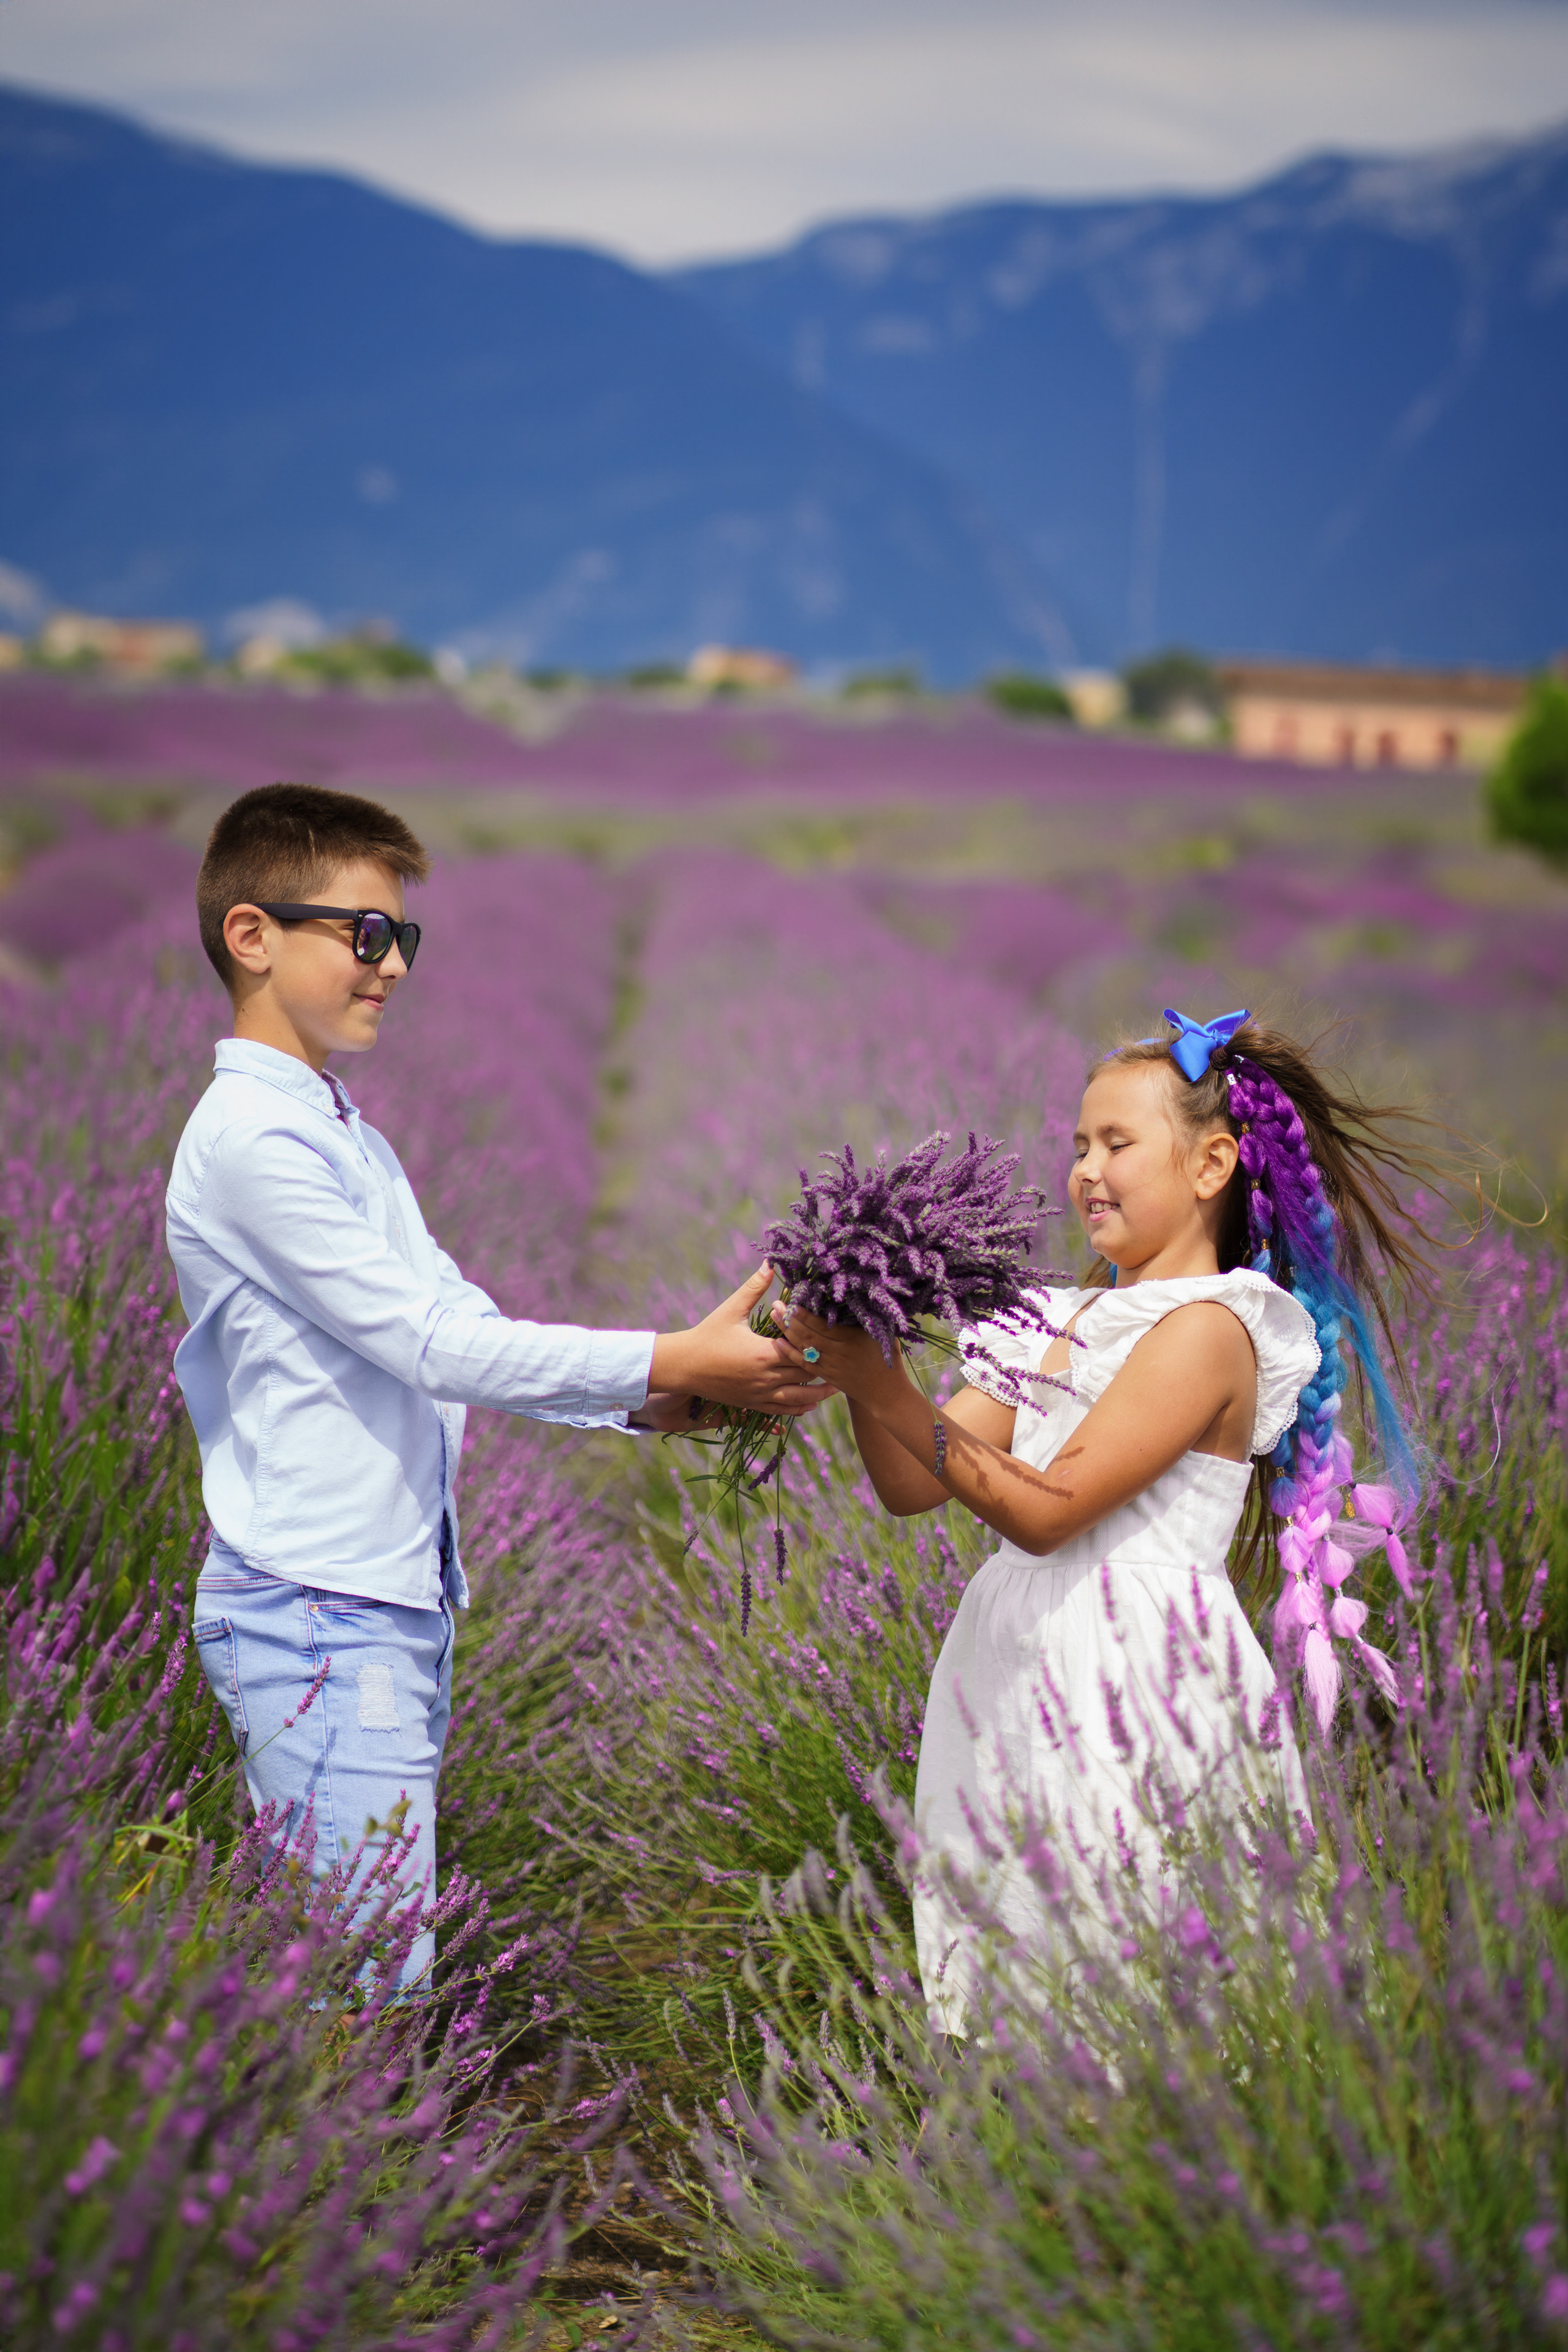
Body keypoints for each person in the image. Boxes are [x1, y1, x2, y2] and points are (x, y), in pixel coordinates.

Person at [169, 782, 823, 1987]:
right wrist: (669, 1356)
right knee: (366, 1985)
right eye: (363, 934)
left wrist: (650, 1399)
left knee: (362, 1966)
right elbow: (433, 1347)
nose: (393, 965)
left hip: (374, 1603)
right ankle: (335, 2170)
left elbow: (455, 1316)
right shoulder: (256, 1140)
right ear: (250, 935)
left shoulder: (335, 1128)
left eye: (402, 937)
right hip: (318, 1613)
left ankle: (337, 2159)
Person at [772, 1009, 1427, 2033]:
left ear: (1213, 1164)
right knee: (1021, 1954)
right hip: (1017, 1664)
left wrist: (884, 1382)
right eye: (1078, 1145)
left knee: (1136, 1959)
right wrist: (867, 1358)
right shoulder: (1057, 1320)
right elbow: (912, 1483)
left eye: (1117, 1143)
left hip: (1136, 1674)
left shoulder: (1211, 1330)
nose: (1086, 1169)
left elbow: (1048, 1511)